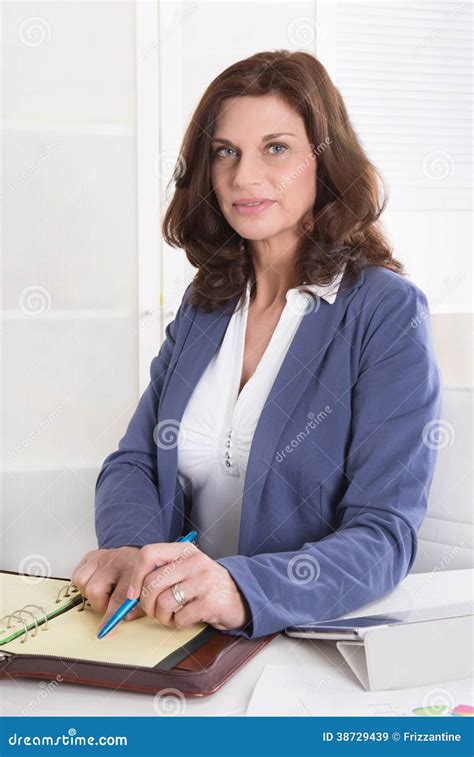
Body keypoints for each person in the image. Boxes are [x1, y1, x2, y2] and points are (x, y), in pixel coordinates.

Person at [71, 50, 442, 640]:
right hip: (173, 635)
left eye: (276, 148)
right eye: (226, 152)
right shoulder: (206, 303)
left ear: (324, 162)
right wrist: (130, 549)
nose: (244, 177)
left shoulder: (384, 312)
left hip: (297, 641)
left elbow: (384, 533)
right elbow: (136, 460)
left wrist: (241, 588)